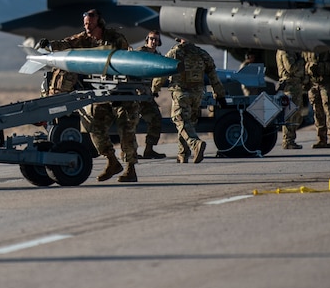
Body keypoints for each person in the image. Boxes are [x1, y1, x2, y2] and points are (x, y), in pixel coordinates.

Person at [45, 9, 141, 182]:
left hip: (123, 91)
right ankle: (111, 161)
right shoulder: (84, 39)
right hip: (101, 91)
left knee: (126, 128)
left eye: (90, 23)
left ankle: (130, 168)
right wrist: (49, 45)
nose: (87, 27)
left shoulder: (115, 39)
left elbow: (127, 60)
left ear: (99, 22)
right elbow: (66, 43)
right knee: (93, 124)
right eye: (85, 24)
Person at [164, 36, 227, 163]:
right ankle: (183, 154)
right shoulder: (202, 53)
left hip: (181, 92)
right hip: (197, 94)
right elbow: (213, 76)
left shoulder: (174, 53)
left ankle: (195, 144)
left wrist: (154, 89)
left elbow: (162, 71)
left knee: (179, 119)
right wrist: (220, 95)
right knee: (188, 122)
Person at [135, 32, 167, 160]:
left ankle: (149, 149)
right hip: (135, 95)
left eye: (156, 40)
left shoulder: (157, 56)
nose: (154, 42)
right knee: (130, 123)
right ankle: (129, 151)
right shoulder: (139, 53)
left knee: (156, 119)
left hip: (147, 96)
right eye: (152, 39)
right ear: (147, 39)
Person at [275, 50, 309, 150]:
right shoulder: (285, 51)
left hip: (296, 86)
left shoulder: (290, 51)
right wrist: (301, 61)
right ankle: (288, 141)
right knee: (290, 115)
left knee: (297, 114)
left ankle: (291, 139)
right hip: (290, 86)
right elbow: (290, 68)